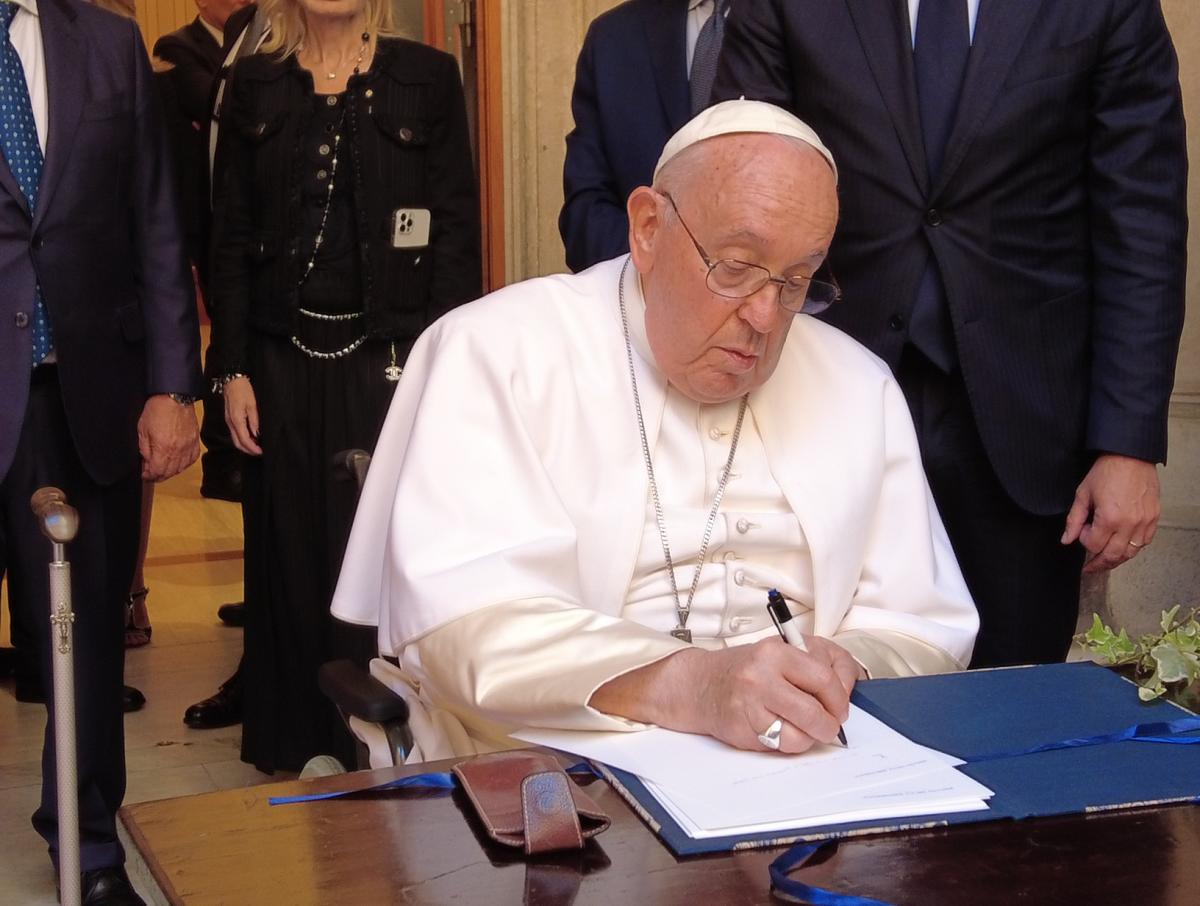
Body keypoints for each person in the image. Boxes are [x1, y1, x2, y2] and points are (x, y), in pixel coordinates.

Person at [332, 101, 978, 762]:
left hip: (808, 768)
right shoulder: (495, 350)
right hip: (558, 765)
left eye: (796, 280)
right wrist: (694, 685)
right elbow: (462, 627)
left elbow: (921, 623)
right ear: (646, 227)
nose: (764, 316)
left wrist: (845, 668)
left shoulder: (856, 382)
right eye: (734, 266)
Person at [713, 0, 1188, 668]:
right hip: (820, 399)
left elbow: (1141, 222)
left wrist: (1127, 444)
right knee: (820, 690)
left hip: (1028, 429)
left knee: (1012, 709)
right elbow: (733, 173)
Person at [203, 0, 482, 772]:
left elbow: (456, 232)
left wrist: (444, 372)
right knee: (287, 549)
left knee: (379, 550)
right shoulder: (255, 84)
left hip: (386, 353)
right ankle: (293, 736)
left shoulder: (426, 78)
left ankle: (380, 737)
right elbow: (225, 237)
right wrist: (229, 370)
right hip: (278, 358)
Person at [0, 1, 202, 903]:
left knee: (84, 636)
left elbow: (158, 221)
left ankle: (86, 843)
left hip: (91, 390)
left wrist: (172, 384)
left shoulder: (109, 40)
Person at [155, 0, 253, 506]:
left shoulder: (262, 38)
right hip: (205, 219)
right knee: (224, 337)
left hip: (251, 217)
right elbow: (217, 100)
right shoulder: (175, 47)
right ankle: (222, 459)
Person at [560, 0, 730, 272]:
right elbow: (586, 209)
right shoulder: (613, 37)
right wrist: (661, 276)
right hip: (639, 293)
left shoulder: (811, 25)